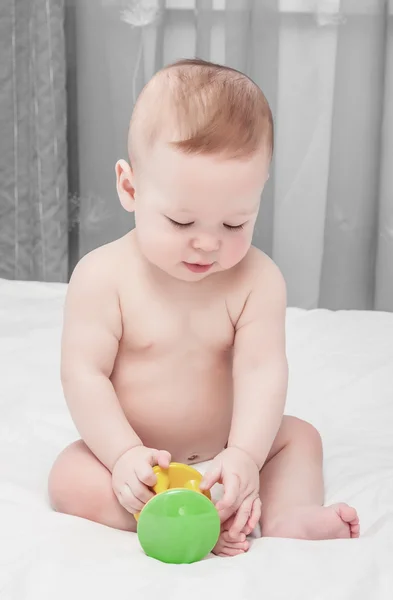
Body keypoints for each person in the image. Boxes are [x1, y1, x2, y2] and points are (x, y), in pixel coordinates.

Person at [48, 59, 359, 556]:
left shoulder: (258, 281)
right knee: (68, 476)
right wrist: (123, 453)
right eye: (181, 220)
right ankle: (164, 516)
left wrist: (244, 455)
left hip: (226, 450)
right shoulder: (102, 277)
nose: (207, 245)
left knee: (300, 439)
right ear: (130, 188)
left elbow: (262, 371)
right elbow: (84, 374)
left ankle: (284, 515)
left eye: (235, 225)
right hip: (141, 458)